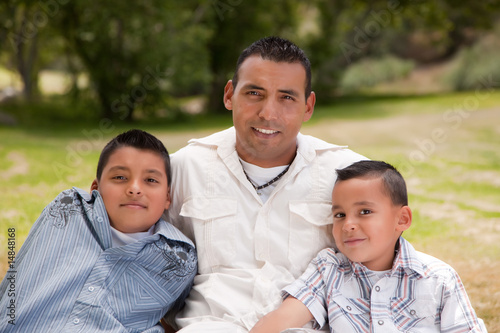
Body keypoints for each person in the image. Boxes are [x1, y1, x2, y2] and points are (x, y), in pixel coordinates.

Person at [166, 36, 366, 332]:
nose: (268, 113)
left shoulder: (349, 173)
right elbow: (139, 255)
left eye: (287, 97)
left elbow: (386, 266)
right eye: (254, 93)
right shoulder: (183, 168)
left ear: (308, 106)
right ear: (229, 95)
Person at [250, 160, 487, 333]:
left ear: (402, 219)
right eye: (340, 215)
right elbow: (282, 319)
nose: (348, 225)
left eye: (365, 212)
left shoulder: (438, 278)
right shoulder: (328, 269)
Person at [0, 129, 197, 332]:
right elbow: (17, 283)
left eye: (150, 180)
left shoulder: (180, 259)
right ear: (95, 189)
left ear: (167, 198)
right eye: (120, 177)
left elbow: (181, 317)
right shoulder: (68, 210)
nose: (135, 189)